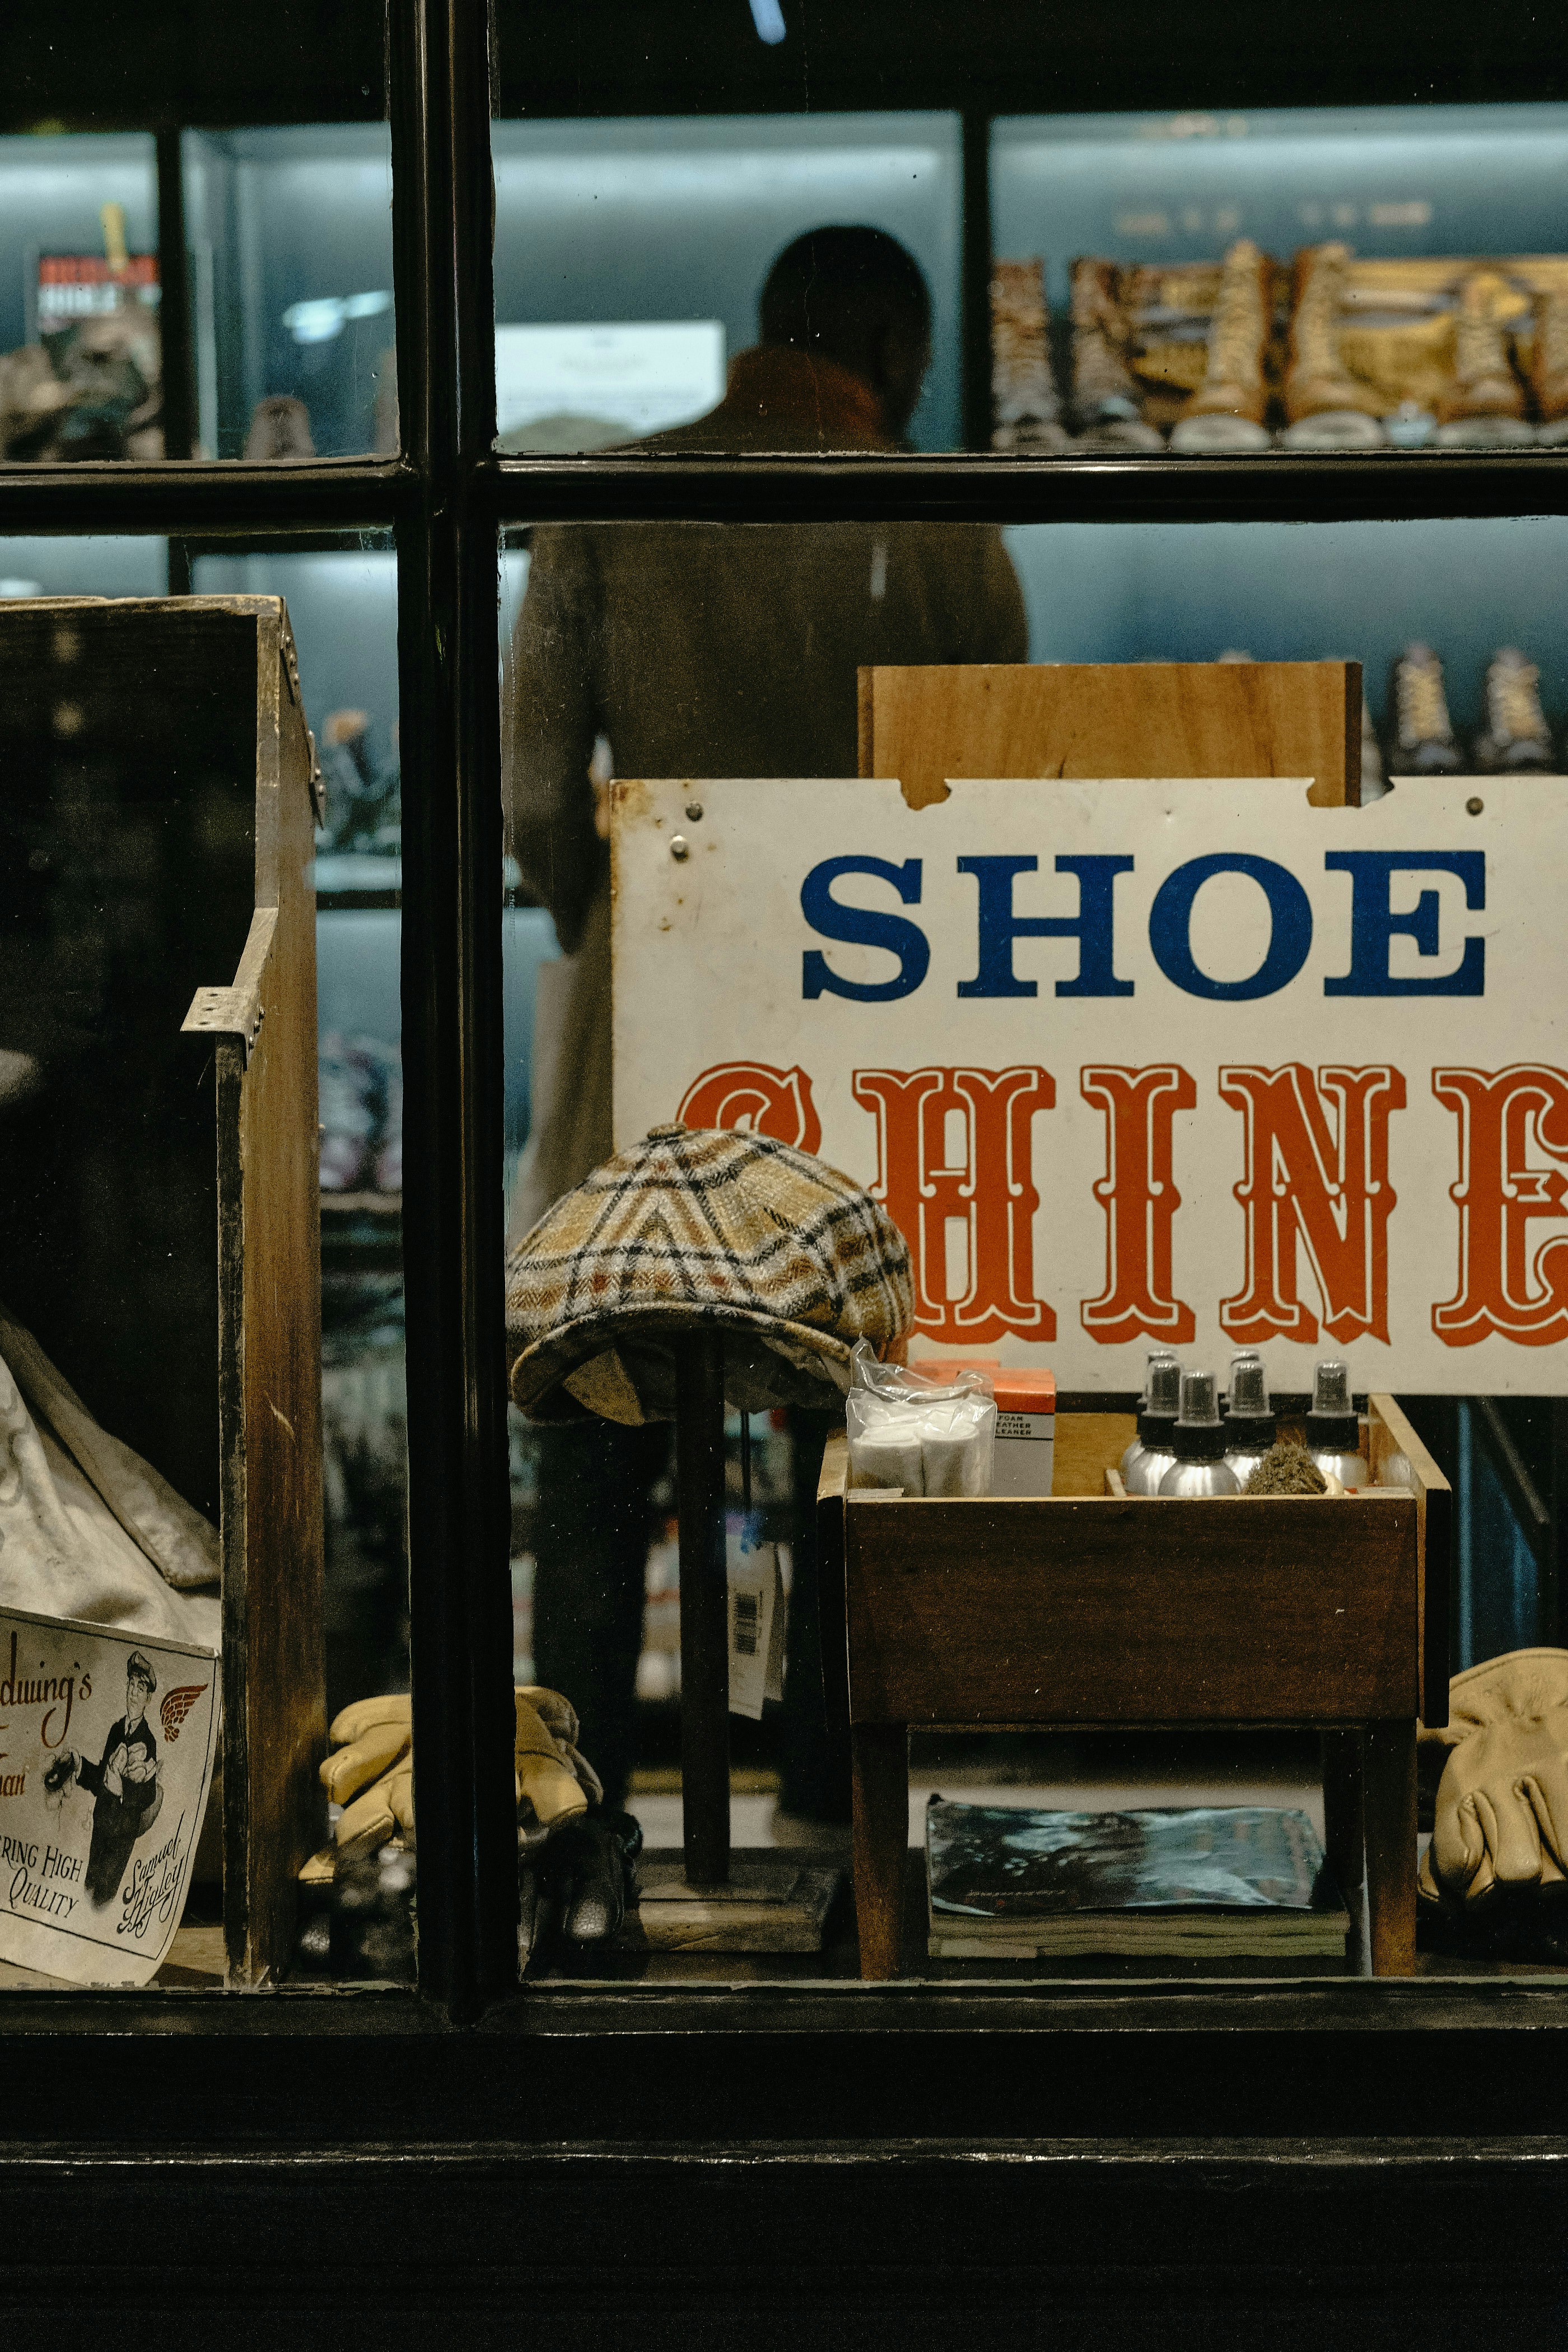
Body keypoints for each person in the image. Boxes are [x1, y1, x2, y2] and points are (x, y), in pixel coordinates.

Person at [505, 225, 1027, 1821]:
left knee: (600, 1430)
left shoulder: (608, 508)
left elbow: (533, 792)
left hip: (648, 1041)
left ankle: (565, 1807)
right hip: (877, 1044)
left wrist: (613, 935)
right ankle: (832, 1794)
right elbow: (997, 808)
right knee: (849, 1419)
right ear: (904, 357)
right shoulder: (948, 527)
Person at [60, 1650, 164, 1907]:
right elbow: (101, 1780)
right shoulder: (117, 1730)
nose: (134, 1692)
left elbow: (148, 1794)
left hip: (122, 1834)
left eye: (141, 1688)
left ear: (148, 1698)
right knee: (88, 1888)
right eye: (131, 1684)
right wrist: (80, 1764)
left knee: (103, 1899)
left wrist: (122, 1792)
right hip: (102, 1824)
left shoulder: (148, 1740)